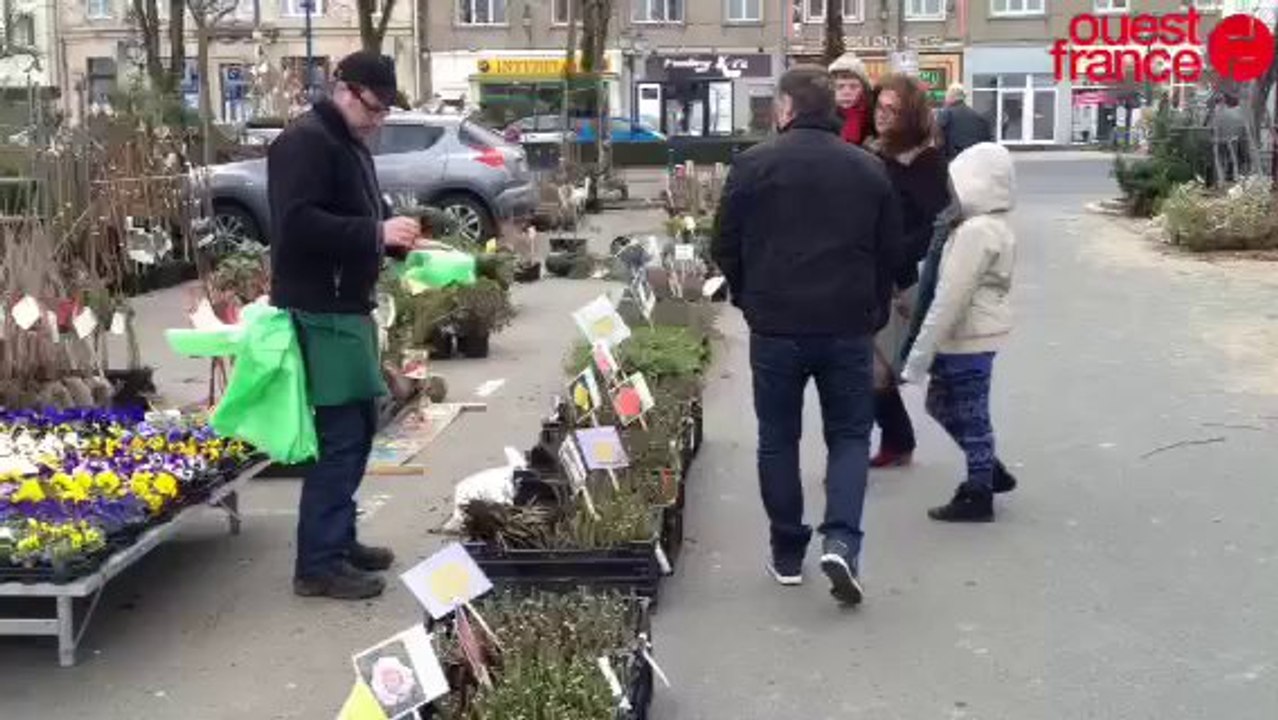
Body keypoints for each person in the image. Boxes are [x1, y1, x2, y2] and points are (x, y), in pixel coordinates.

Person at [712, 65, 903, 606]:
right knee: (849, 436)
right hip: (847, 325)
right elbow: (891, 251)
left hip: (776, 326)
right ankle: (841, 540)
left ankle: (787, 553)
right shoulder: (867, 168)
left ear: (786, 109)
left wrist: (749, 297)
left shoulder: (753, 165)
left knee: (778, 437)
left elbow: (724, 243)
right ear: (833, 109)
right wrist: (872, 308)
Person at [268, 51, 423, 600]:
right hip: (321, 310)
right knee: (340, 435)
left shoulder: (348, 141)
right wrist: (375, 234)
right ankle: (318, 564)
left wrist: (393, 239)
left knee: (359, 427)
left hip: (346, 307)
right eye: (373, 108)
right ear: (344, 90)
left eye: (384, 111)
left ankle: (338, 539)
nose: (378, 120)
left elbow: (358, 215)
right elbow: (296, 225)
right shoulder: (304, 142)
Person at [902, 142, 1018, 523]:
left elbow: (950, 297)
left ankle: (978, 493)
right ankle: (987, 469)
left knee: (971, 415)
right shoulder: (990, 225)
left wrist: (918, 357)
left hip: (968, 337)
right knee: (941, 405)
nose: (950, 192)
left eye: (956, 184)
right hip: (971, 335)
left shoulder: (976, 232)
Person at [866, 73, 951, 470]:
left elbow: (939, 222)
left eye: (893, 111)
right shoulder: (875, 151)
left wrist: (898, 254)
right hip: (875, 272)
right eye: (880, 107)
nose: (882, 116)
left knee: (881, 367)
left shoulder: (926, 161)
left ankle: (900, 440)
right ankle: (898, 440)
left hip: (906, 278)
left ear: (910, 116)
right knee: (875, 365)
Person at [937, 84, 993, 161]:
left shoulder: (946, 114)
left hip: (954, 160)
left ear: (950, 97)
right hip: (975, 160)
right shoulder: (979, 117)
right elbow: (988, 142)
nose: (945, 100)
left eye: (946, 97)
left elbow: (938, 139)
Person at [828, 52, 871, 145]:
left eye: (853, 86)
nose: (846, 92)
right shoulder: (823, 117)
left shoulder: (872, 117)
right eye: (840, 86)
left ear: (863, 89)